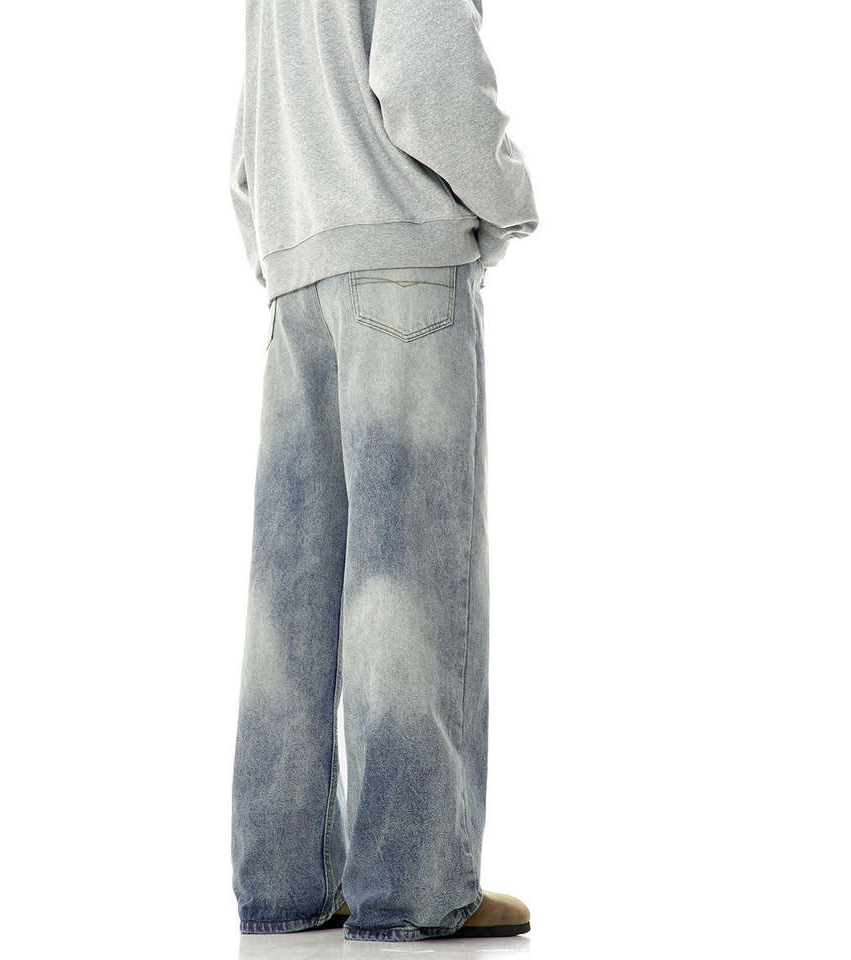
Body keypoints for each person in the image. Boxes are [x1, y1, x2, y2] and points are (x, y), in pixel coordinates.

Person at [229, 0, 537, 942]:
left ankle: (283, 883)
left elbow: (248, 143)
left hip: (298, 269)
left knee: (292, 596)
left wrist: (285, 241)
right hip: (402, 256)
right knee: (409, 579)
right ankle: (412, 887)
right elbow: (426, 73)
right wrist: (509, 196)